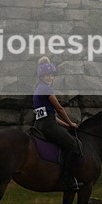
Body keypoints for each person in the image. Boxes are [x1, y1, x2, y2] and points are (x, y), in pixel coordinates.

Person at [33, 56, 82, 190]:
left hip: (40, 125)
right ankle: (67, 179)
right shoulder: (47, 90)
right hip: (48, 126)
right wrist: (71, 123)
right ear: (41, 77)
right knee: (74, 145)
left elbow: (49, 115)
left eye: (51, 75)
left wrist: (66, 126)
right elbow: (58, 109)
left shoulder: (37, 89)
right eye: (47, 76)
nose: (50, 78)